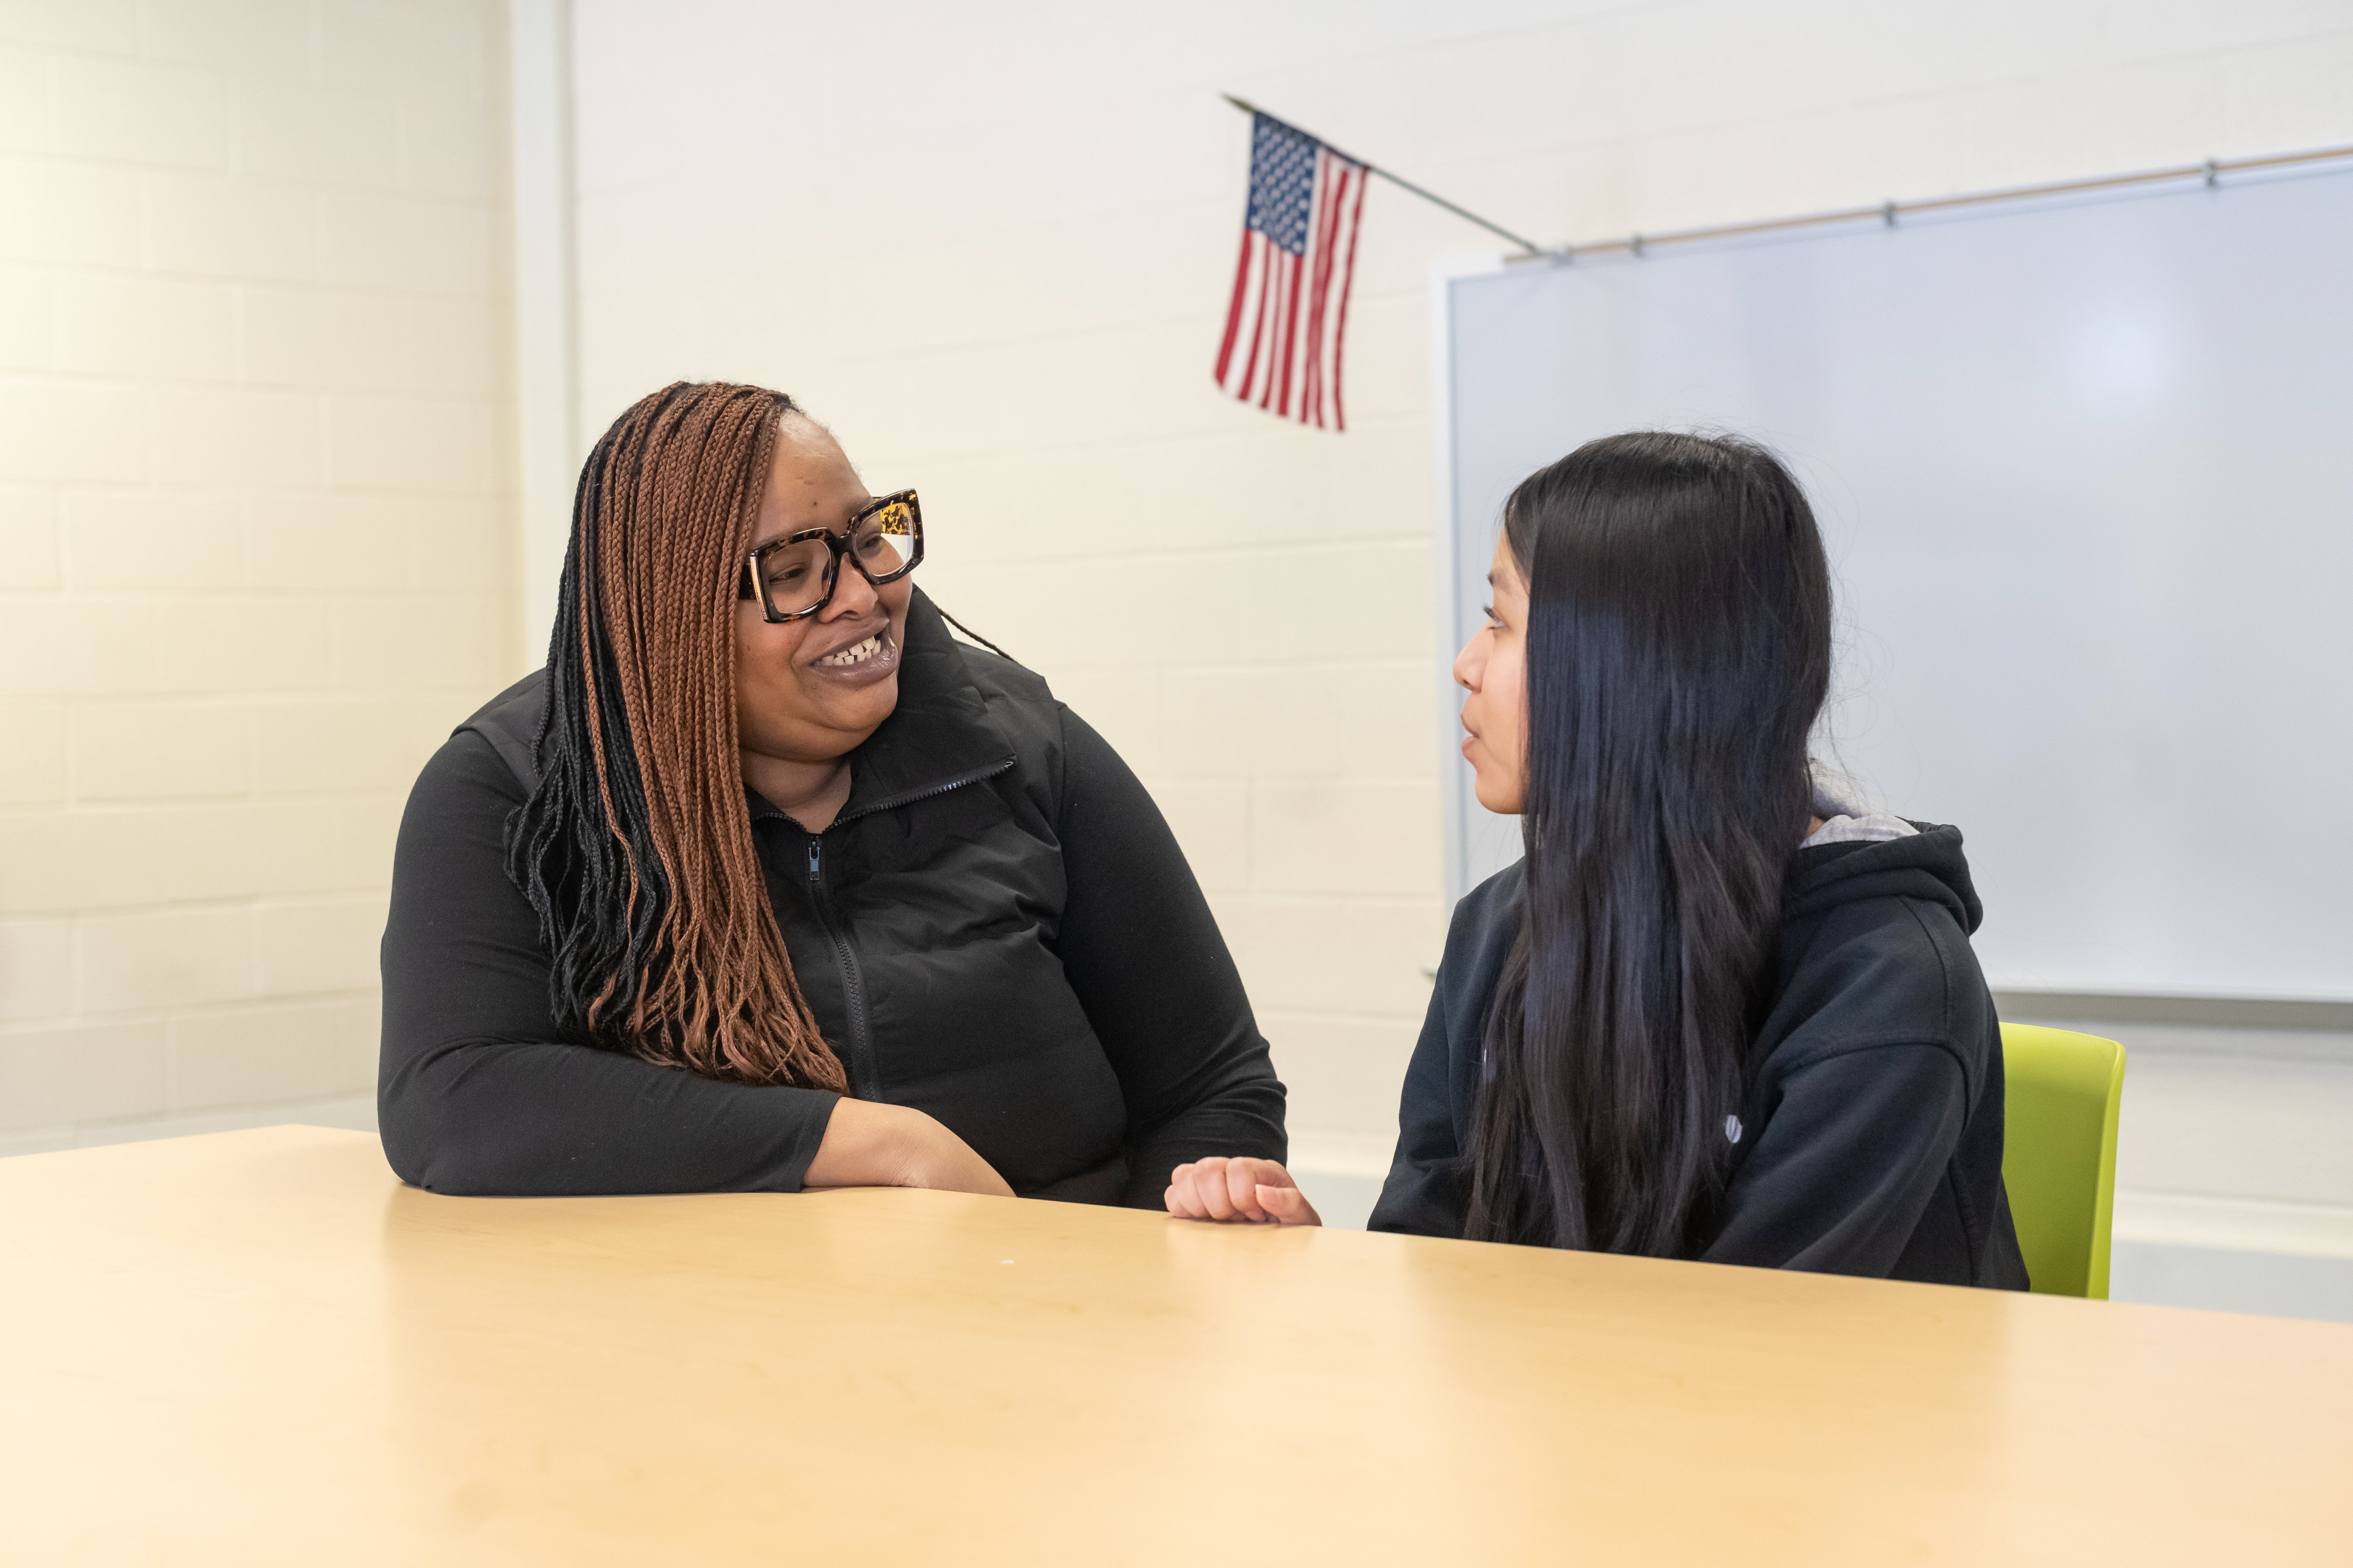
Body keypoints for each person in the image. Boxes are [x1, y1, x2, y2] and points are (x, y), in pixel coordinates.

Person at [381, 381, 1285, 1203]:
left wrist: (1171, 1239)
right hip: (697, 1335)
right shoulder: (514, 787)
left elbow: (1211, 1086)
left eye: (865, 538)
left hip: (1050, 1315)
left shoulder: (1024, 746)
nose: (859, 593)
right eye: (790, 573)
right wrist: (873, 1141)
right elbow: (453, 1096)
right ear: (671, 619)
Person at [1167, 432, 2029, 1290]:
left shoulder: (1887, 986)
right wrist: (1314, 1253)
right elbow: (1432, 1258)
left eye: (1501, 622)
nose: (1466, 664)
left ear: (1624, 669)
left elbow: (1748, 1351)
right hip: (1565, 1409)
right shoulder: (1497, 928)